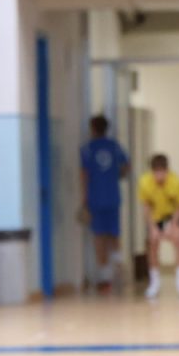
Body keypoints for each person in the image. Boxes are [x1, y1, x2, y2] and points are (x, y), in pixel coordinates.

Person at [79, 115, 129, 292]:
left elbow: (84, 175)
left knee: (99, 237)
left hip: (96, 198)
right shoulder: (115, 146)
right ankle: (120, 270)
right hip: (113, 196)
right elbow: (126, 166)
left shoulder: (87, 149)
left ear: (92, 129)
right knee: (114, 235)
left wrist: (84, 198)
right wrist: (116, 176)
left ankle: (105, 278)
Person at [138, 153, 179, 299]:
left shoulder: (176, 182)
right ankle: (154, 283)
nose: (159, 176)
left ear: (167, 170)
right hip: (156, 217)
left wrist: (173, 225)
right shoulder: (145, 182)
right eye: (156, 172)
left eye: (162, 172)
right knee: (153, 243)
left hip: (172, 215)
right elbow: (146, 207)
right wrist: (152, 227)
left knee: (178, 240)